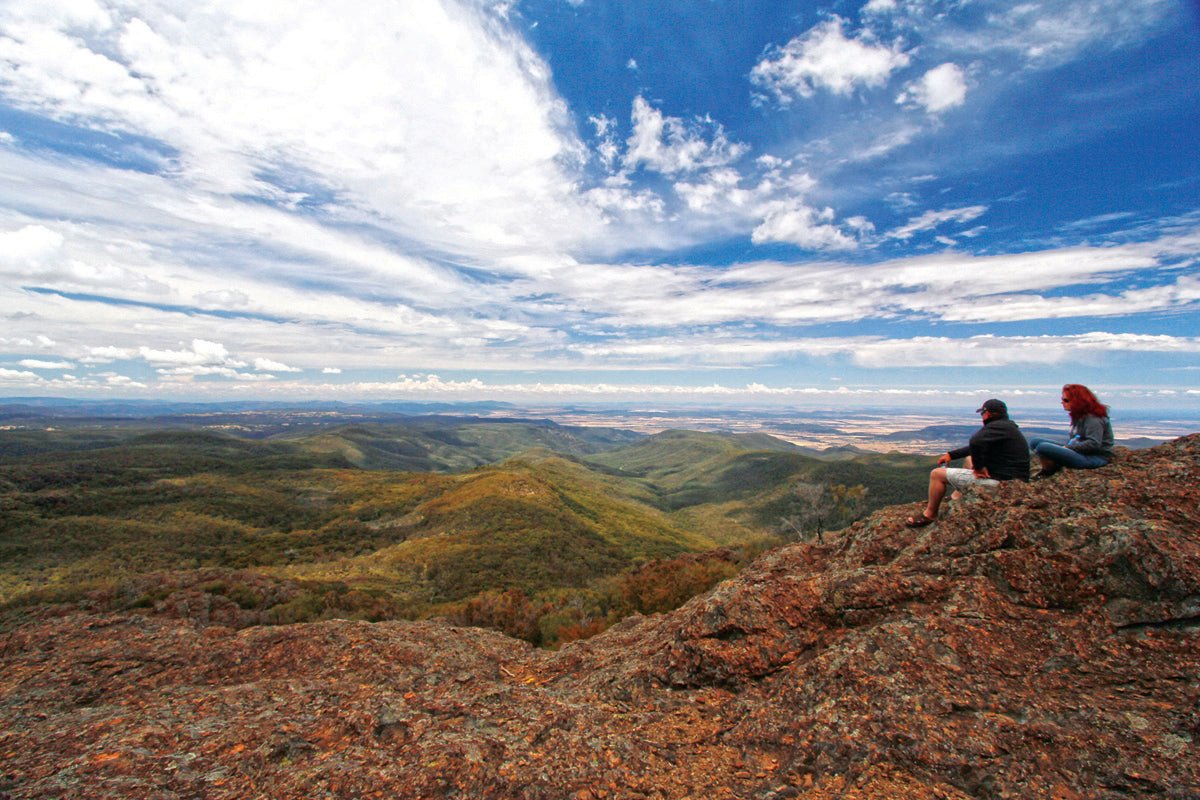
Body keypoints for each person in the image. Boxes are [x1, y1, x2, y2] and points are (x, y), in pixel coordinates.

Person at [906, 398, 1030, 527]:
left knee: (936, 474)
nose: (982, 416)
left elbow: (976, 442)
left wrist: (979, 468)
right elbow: (976, 448)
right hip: (1015, 481)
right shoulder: (1007, 426)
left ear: (987, 413)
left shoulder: (997, 426)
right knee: (969, 459)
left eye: (982, 413)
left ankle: (930, 515)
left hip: (1003, 485)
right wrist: (951, 455)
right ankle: (958, 497)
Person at [1028, 384, 1114, 477]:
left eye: (1066, 400)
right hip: (1080, 451)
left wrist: (1069, 448)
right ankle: (1052, 466)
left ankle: (1048, 471)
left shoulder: (1093, 418)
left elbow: (1093, 444)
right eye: (1062, 399)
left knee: (1043, 447)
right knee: (1035, 441)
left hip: (1094, 456)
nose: (1062, 402)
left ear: (1078, 401)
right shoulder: (1080, 415)